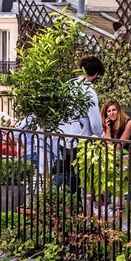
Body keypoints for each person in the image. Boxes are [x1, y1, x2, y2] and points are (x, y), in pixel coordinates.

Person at [52, 55, 105, 190]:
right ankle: (76, 204)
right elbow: (95, 123)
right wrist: (99, 137)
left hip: (64, 138)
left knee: (66, 172)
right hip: (80, 140)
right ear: (96, 75)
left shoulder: (69, 85)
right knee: (78, 176)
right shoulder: (89, 91)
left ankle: (66, 201)